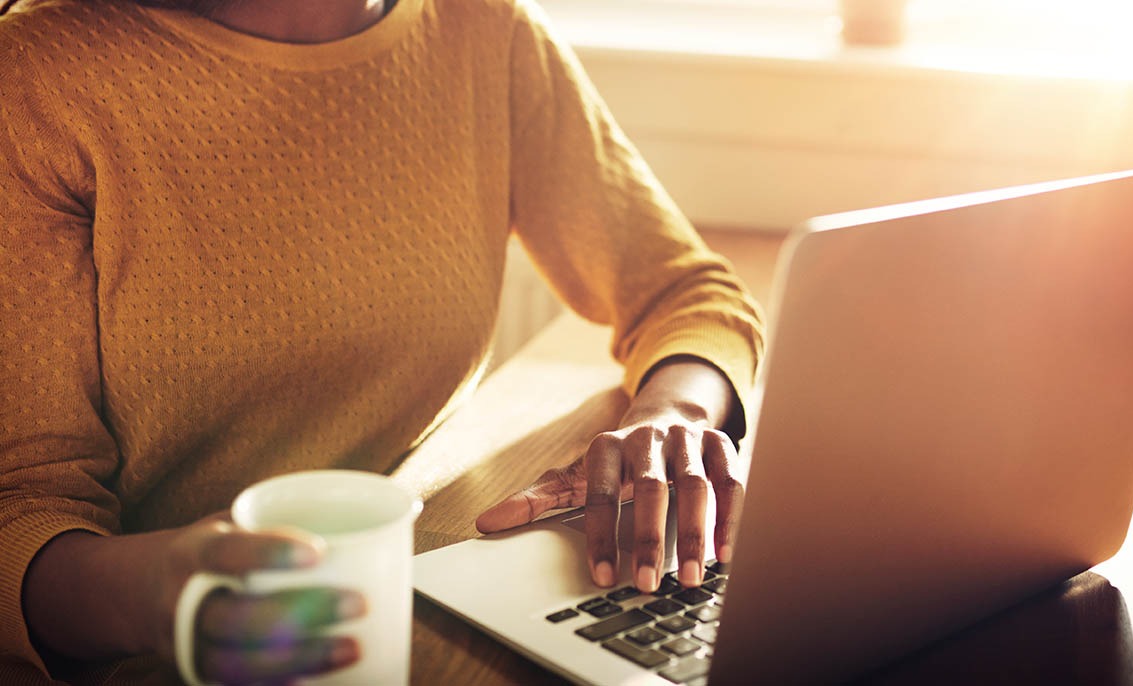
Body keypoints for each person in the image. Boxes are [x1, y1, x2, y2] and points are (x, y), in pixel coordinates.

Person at [0, 0, 763, 683]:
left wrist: (674, 417)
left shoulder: (486, 31)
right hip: (173, 654)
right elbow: (21, 509)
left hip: (423, 590)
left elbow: (685, 292)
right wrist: (161, 595)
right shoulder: (39, 77)